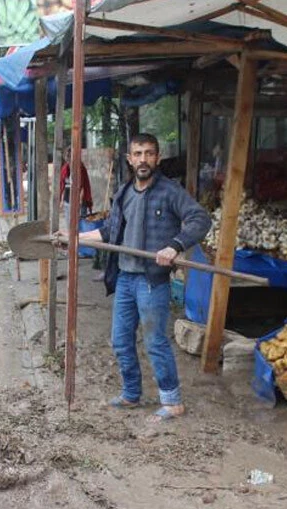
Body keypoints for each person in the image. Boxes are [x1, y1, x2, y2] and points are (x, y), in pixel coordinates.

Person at [71, 133, 212, 422]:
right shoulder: (124, 193)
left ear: (157, 158)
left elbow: (200, 219)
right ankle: (131, 394)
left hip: (151, 280)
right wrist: (74, 238)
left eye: (149, 153)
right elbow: (109, 231)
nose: (143, 159)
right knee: (120, 340)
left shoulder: (170, 191)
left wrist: (175, 245)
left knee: (154, 341)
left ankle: (172, 402)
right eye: (138, 154)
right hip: (125, 278)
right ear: (129, 159)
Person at [59, 145, 92, 221]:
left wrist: (79, 202)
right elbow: (63, 186)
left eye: (71, 161)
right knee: (69, 224)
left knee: (80, 225)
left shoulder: (81, 169)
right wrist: (61, 200)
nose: (70, 163)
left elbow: (84, 187)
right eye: (68, 161)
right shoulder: (64, 169)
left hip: (79, 201)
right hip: (68, 201)